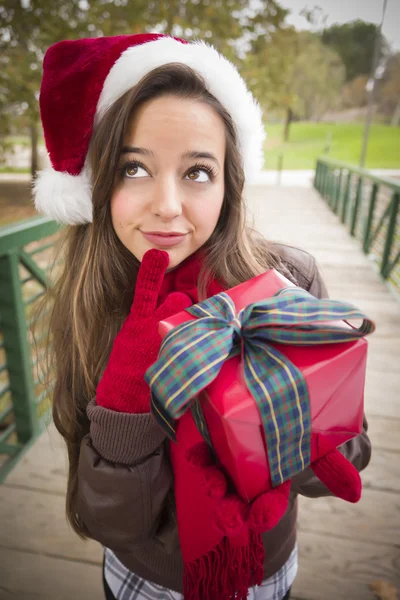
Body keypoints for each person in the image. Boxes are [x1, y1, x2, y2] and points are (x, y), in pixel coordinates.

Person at [34, 33, 371, 600]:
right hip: (146, 578)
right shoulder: (89, 305)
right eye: (133, 169)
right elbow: (107, 522)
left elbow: (348, 456)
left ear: (227, 185)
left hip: (266, 566)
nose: (167, 204)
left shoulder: (288, 283)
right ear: (97, 185)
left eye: (196, 172)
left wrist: (303, 412)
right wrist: (126, 409)